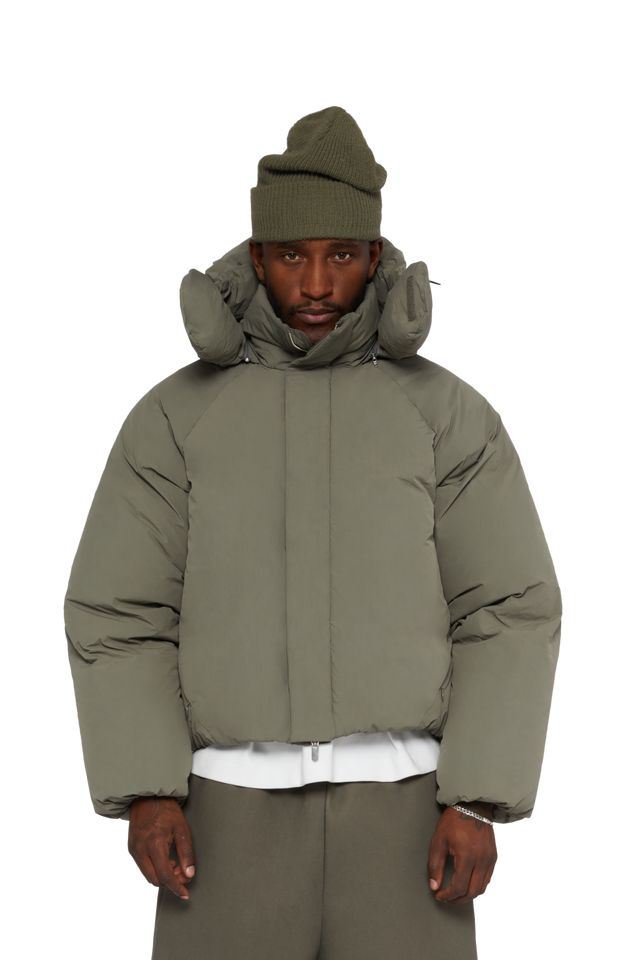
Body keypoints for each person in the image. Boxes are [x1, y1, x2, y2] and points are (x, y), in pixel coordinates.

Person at [62, 105, 564, 959]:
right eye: (293, 256)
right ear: (257, 257)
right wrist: (146, 789)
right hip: (222, 825)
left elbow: (510, 607)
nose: (320, 285)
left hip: (409, 821)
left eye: (343, 255)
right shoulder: (175, 418)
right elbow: (119, 610)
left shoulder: (446, 414)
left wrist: (478, 798)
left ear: (376, 255)